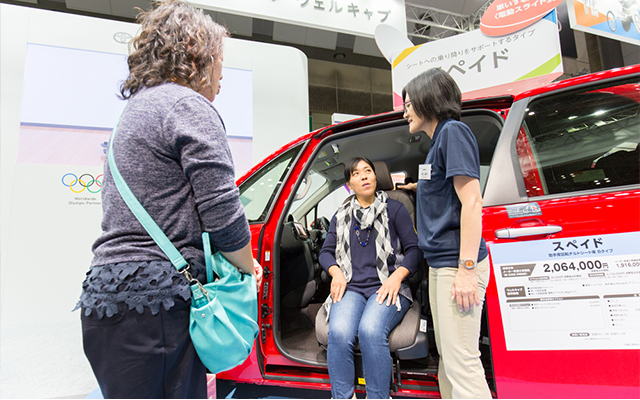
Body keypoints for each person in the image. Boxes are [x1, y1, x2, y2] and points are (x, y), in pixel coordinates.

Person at [75, 1, 261, 398]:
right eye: (220, 59)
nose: (223, 74)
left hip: (106, 299)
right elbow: (223, 214)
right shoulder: (187, 106)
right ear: (197, 55)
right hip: (157, 304)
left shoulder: (135, 112)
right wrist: (250, 267)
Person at [398, 68, 491, 399]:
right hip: (441, 264)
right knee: (449, 363)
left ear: (428, 99)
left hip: (457, 264)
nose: (405, 110)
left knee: (463, 364)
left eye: (409, 103)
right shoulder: (439, 143)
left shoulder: (453, 133)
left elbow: (472, 201)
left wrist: (466, 270)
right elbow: (442, 191)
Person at [319, 157, 423, 399]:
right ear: (349, 184)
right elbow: (326, 252)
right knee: (339, 333)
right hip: (352, 288)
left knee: (370, 331)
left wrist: (398, 276)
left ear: (376, 177)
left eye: (368, 171)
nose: (364, 176)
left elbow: (415, 251)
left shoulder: (395, 208)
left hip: (388, 285)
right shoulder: (341, 215)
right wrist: (335, 272)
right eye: (356, 173)